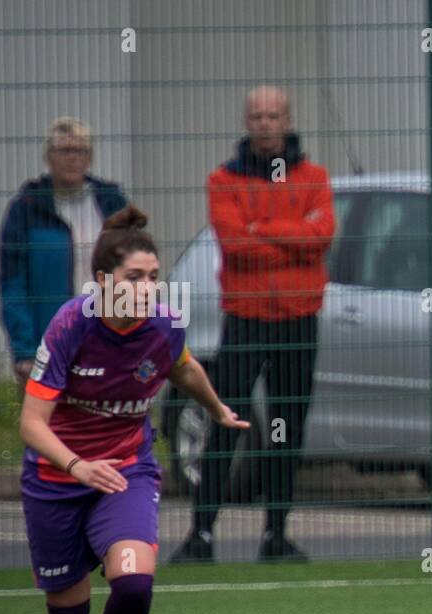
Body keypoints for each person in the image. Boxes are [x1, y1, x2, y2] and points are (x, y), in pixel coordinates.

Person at [19, 205, 248, 614]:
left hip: (125, 472)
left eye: (153, 277)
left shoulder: (164, 325)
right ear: (103, 282)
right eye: (133, 279)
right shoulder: (71, 325)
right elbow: (30, 423)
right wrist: (76, 465)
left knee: (135, 583)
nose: (147, 288)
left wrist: (216, 410)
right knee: (68, 607)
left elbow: (184, 366)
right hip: (57, 481)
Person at [170, 85, 335, 563]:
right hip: (245, 319)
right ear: (247, 122)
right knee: (227, 421)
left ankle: (276, 534)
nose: (265, 123)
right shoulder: (224, 180)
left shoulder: (314, 176)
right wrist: (290, 237)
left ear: (287, 120)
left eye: (273, 115)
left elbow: (321, 235)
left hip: (298, 320)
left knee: (286, 427)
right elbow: (235, 245)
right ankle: (201, 534)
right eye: (257, 116)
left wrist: (262, 230)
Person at [0, 117, 129, 389]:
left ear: (90, 157)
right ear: (48, 157)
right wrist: (24, 350)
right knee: (50, 425)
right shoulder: (27, 208)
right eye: (63, 150)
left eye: (79, 151)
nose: (72, 158)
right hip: (52, 337)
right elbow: (13, 285)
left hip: (108, 333)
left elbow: (133, 271)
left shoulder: (111, 202)